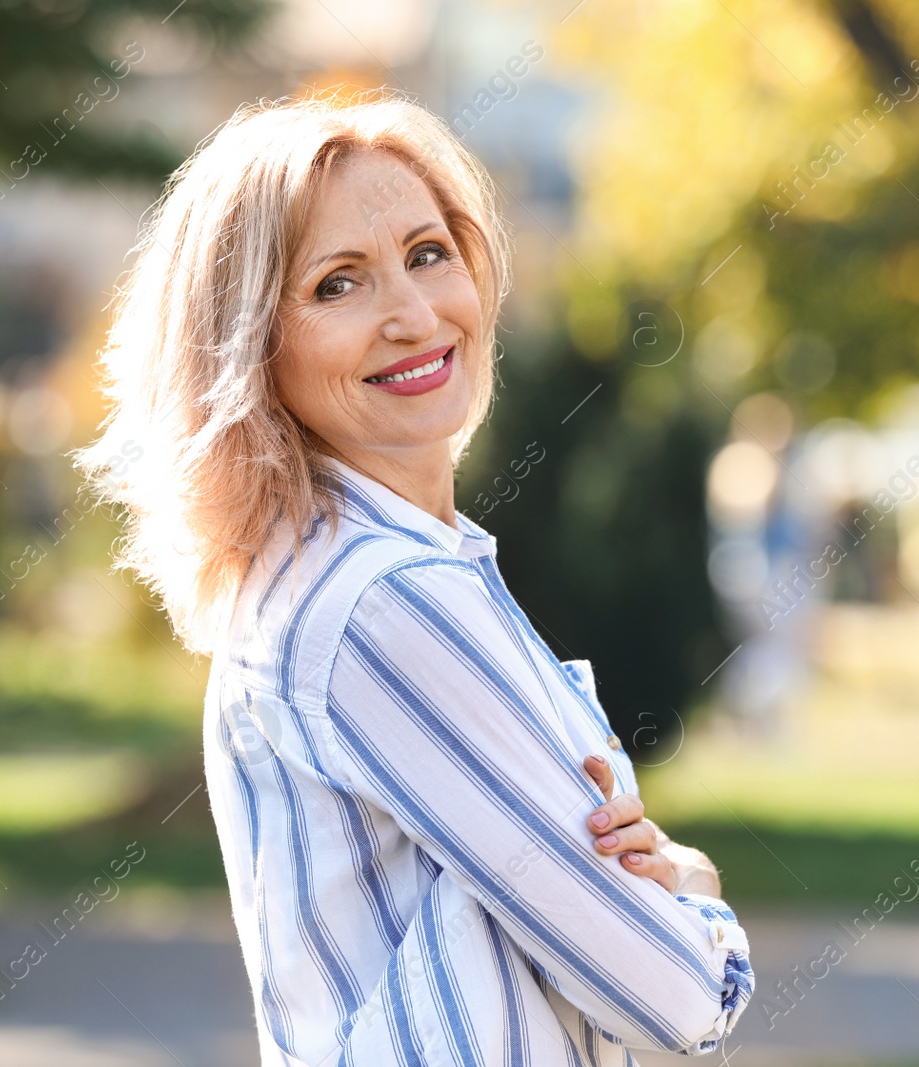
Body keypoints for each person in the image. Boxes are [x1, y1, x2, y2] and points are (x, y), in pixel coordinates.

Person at [76, 89, 753, 1065]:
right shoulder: (379, 596)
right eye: (335, 284)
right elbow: (674, 995)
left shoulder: (344, 569)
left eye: (427, 253)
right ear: (249, 345)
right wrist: (697, 893)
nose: (411, 313)